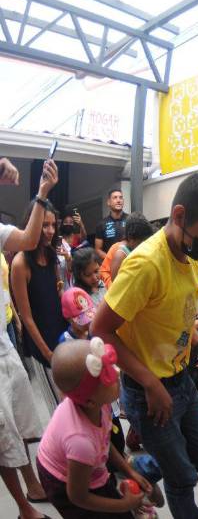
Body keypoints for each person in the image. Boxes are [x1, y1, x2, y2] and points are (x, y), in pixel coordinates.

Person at [91, 171, 198, 519]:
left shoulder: (187, 253)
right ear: (180, 216)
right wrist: (151, 384)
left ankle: (145, 468)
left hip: (180, 379)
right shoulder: (145, 264)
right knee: (184, 478)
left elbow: (181, 317)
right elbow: (101, 330)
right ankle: (167, 472)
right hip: (149, 392)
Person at [36, 338, 161, 518]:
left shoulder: (96, 405)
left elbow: (103, 441)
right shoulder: (80, 441)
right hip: (63, 483)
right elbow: (78, 497)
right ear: (89, 400)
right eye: (108, 378)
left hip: (82, 467)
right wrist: (122, 505)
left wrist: (130, 470)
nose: (117, 376)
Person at [0, 156, 58, 519]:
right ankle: (24, 506)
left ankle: (33, 486)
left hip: (3, 340)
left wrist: (41, 194)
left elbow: (28, 238)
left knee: (20, 419)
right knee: (3, 428)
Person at [11, 198, 68, 417]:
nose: (50, 231)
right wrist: (47, 353)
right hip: (41, 345)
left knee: (73, 401)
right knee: (59, 408)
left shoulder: (52, 255)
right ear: (31, 223)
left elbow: (58, 291)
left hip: (61, 335)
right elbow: (26, 317)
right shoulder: (20, 263)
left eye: (53, 225)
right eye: (45, 225)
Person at [99, 212, 154, 289]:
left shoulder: (134, 249)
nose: (142, 246)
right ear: (131, 237)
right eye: (140, 243)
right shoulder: (119, 252)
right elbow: (104, 272)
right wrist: (110, 286)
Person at [94, 189, 128, 262]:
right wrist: (111, 260)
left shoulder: (130, 220)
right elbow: (98, 249)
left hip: (128, 262)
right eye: (115, 197)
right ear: (108, 202)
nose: (118, 200)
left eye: (120, 197)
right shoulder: (101, 224)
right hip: (110, 265)